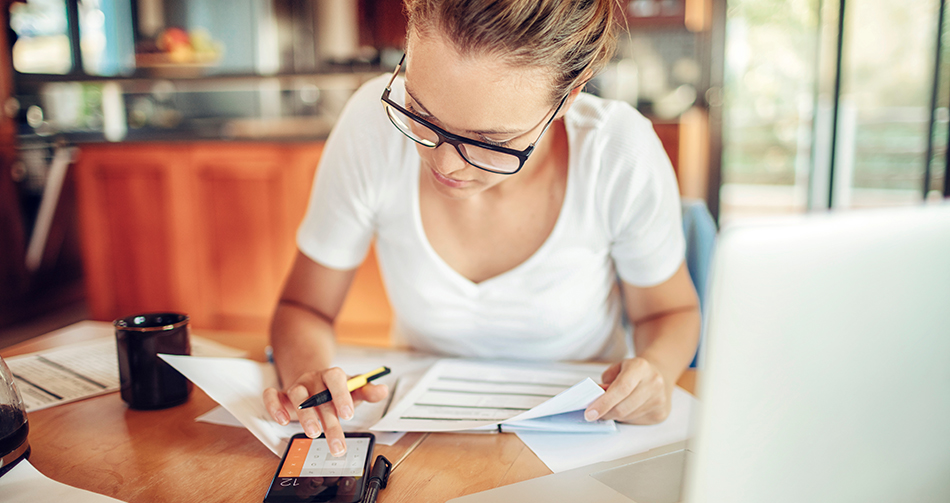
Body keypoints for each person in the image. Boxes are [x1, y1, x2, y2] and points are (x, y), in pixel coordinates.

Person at [263, 0, 701, 457]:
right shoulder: (372, 126)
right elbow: (303, 306)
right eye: (420, 112)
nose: (445, 163)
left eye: (490, 141)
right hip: (423, 439)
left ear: (567, 99)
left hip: (581, 434)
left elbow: (668, 313)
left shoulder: (618, 153)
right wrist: (309, 376)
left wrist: (655, 371)